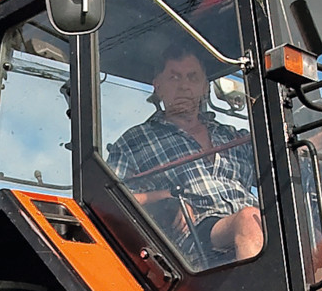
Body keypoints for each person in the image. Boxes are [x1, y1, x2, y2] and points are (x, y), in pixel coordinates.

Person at [106, 49, 265, 267]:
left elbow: (280, 161)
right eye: (174, 77)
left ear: (204, 87)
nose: (184, 86)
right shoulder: (134, 142)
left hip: (258, 227)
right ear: (158, 86)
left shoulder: (230, 135)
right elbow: (112, 200)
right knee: (248, 220)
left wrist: (317, 137)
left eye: (192, 77)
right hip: (193, 242)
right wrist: (168, 197)